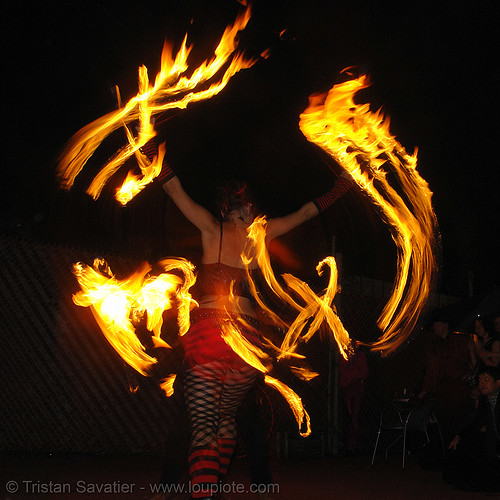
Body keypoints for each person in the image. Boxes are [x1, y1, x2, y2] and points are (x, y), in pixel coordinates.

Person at [141, 137, 352, 499]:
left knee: (205, 424)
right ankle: (208, 489)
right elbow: (305, 212)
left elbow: (175, 193)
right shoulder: (261, 235)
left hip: (211, 335)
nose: (253, 211)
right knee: (224, 421)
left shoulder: (214, 229)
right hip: (245, 343)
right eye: (250, 206)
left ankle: (204, 492)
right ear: (242, 207)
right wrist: (343, 187)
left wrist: (149, 154)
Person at [418, 313, 474, 444]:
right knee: (447, 421)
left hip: (460, 389)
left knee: (460, 418)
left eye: (436, 324)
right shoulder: (435, 346)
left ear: (445, 325)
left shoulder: (460, 340)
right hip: (445, 391)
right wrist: (426, 389)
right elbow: (432, 370)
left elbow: (470, 362)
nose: (434, 327)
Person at [443, 365, 500, 492]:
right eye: (480, 381)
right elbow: (475, 424)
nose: (482, 384)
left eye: (486, 380)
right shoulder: (485, 400)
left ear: (498, 382)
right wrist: (459, 436)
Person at [338, 340, 369, 454]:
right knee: (349, 416)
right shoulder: (344, 355)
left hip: (356, 388)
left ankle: (354, 445)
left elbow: (364, 373)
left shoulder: (361, 356)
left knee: (355, 417)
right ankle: (348, 445)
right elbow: (342, 372)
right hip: (347, 388)